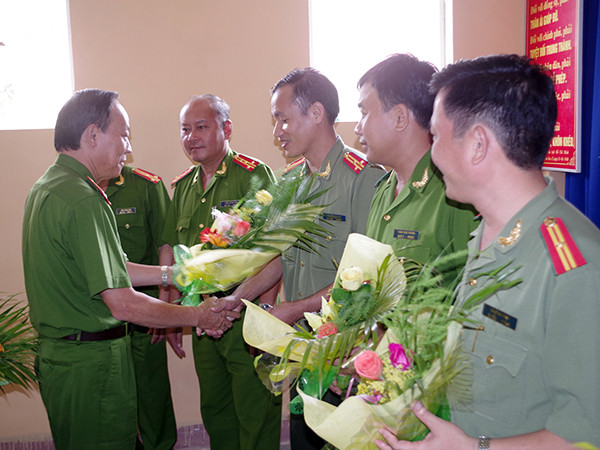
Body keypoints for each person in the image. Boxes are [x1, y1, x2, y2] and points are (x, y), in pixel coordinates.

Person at [375, 54, 600, 450]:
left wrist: (474, 448)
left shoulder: (573, 267)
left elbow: (584, 435)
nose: (432, 152)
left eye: (436, 137)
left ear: (478, 144)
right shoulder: (484, 233)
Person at [22, 89, 240, 450]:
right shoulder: (83, 199)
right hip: (92, 366)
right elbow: (122, 303)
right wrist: (197, 316)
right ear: (93, 135)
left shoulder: (51, 186)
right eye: (123, 135)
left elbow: (111, 267)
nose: (128, 147)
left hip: (66, 361)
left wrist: (171, 275)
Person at [217, 68, 385, 450]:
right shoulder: (292, 181)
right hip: (301, 345)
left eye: (283, 119)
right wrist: (237, 298)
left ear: (316, 112)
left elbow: (364, 276)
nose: (277, 131)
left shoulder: (362, 178)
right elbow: (282, 256)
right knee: (303, 438)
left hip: (345, 350)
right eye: (275, 121)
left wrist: (293, 309)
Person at [161, 94, 281, 450]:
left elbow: (274, 249)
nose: (191, 137)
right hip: (202, 316)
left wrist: (265, 315)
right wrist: (171, 314)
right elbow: (171, 249)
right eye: (185, 129)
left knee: (256, 412)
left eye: (201, 127)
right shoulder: (183, 186)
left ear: (226, 129)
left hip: (245, 315)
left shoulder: (253, 174)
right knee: (216, 411)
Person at [355, 53, 477, 284]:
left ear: (400, 117)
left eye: (364, 113)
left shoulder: (454, 196)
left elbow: (476, 287)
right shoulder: (384, 190)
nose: (357, 128)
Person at [99, 166, 177, 450]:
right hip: (98, 317)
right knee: (109, 400)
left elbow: (166, 245)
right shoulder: (80, 188)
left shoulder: (146, 185)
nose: (126, 147)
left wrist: (164, 309)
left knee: (152, 392)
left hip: (145, 314)